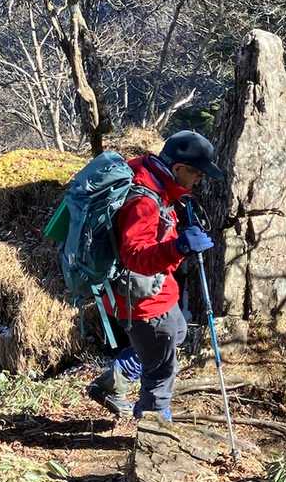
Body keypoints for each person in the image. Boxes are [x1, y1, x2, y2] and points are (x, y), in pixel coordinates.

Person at [87, 130, 223, 421]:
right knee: (161, 371)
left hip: (153, 290)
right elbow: (134, 257)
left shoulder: (150, 174)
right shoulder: (145, 201)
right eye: (197, 173)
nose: (200, 180)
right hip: (143, 299)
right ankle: (155, 429)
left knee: (178, 331)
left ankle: (114, 380)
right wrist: (178, 247)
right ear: (178, 168)